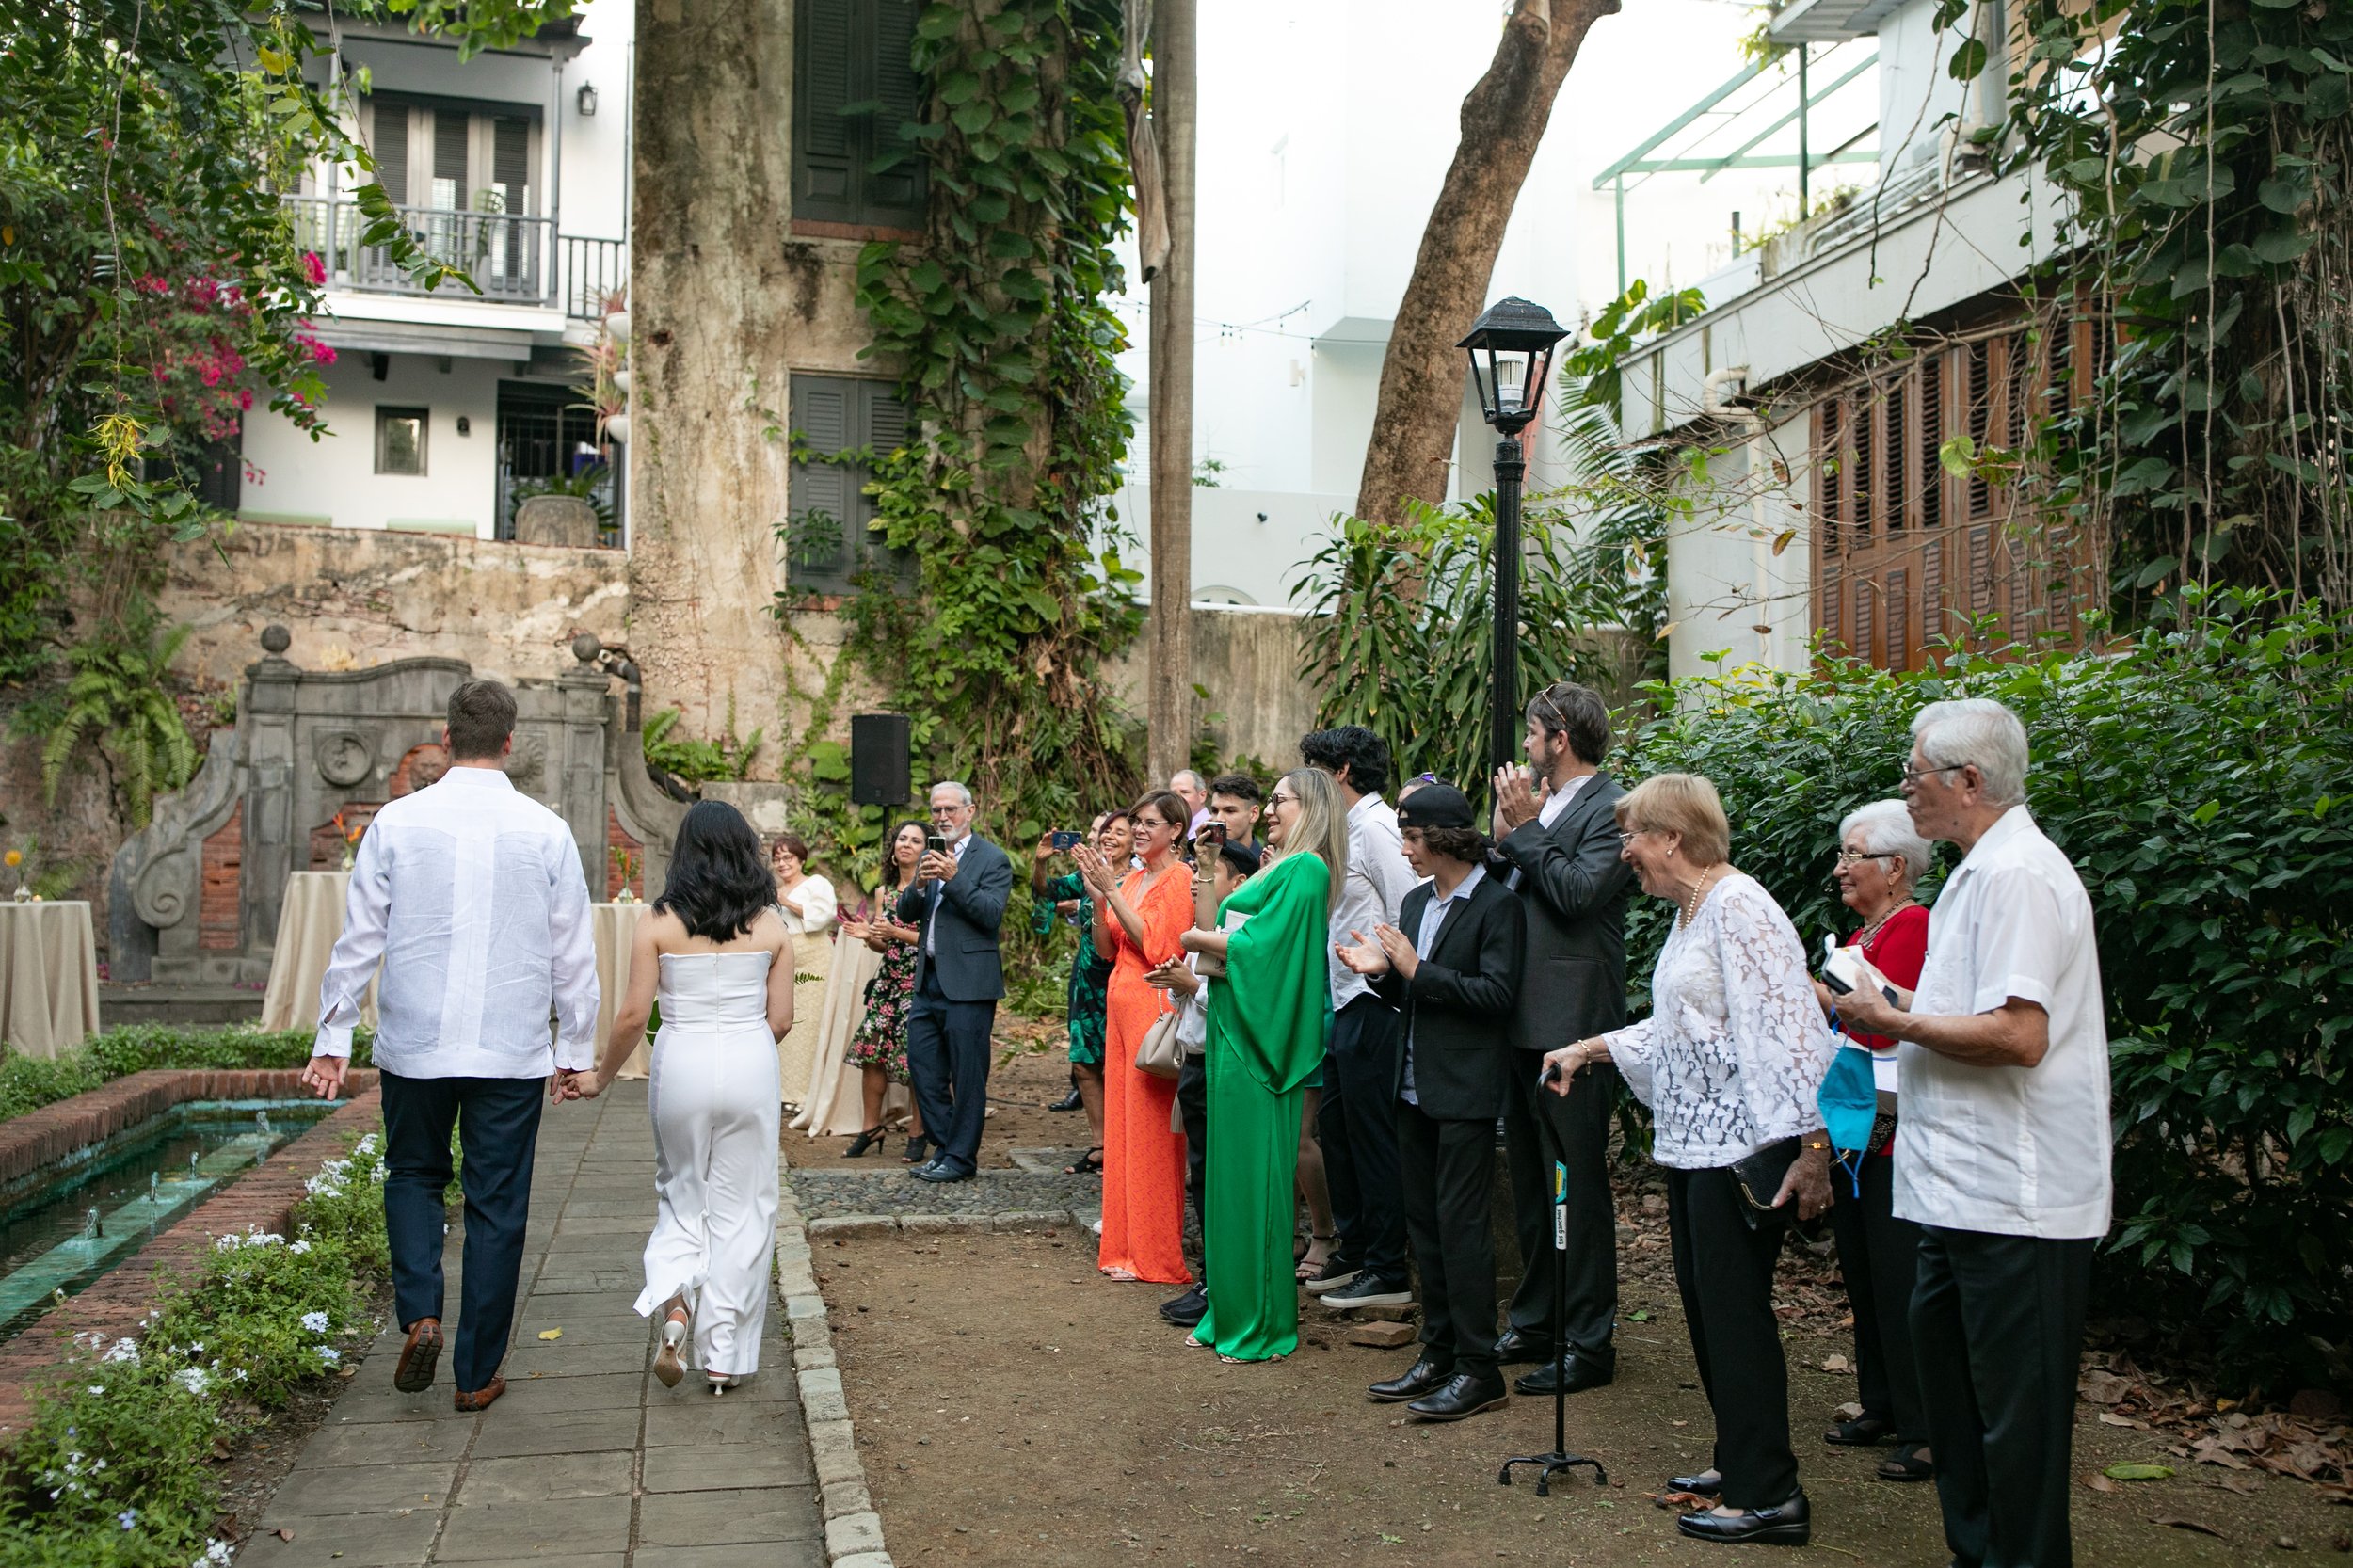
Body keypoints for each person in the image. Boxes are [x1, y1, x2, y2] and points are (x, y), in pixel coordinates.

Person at [1833, 699, 2109, 1568]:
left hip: (2015, 1205)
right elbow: (1972, 1011)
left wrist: (1893, 1020)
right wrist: (1900, 1004)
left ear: (1969, 781)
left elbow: (2021, 1035)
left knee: (2014, 1436)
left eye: (1914, 775)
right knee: (1956, 1419)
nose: (1906, 792)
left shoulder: (2020, 874)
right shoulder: (1974, 872)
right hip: (1957, 1197)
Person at [1543, 773, 1837, 1546]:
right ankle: (1738, 1461)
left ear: (1672, 837)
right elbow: (1680, 1028)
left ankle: (1770, 1494)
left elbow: (1794, 1033)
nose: (1625, 853)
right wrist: (1590, 1048)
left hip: (1744, 1150)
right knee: (1710, 1316)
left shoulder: (1741, 908)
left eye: (1632, 836)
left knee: (1736, 1317)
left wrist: (1812, 1150)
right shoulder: (1692, 911)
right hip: (1695, 1146)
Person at [300, 679, 599, 1415]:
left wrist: (332, 1036)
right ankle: (475, 1374)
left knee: (412, 1174)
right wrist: (576, 1049)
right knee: (498, 1205)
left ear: (444, 738)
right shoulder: (546, 829)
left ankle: (422, 1314)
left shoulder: (396, 824)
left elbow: (359, 938)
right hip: (509, 1049)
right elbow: (574, 952)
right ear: (508, 742)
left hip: (415, 1043)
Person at [566, 801, 792, 1394]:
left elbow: (634, 1015)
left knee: (680, 1192)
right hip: (750, 1058)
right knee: (744, 1208)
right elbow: (783, 1019)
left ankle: (674, 1305)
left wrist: (599, 1077)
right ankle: (723, 1359)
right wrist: (742, 1045)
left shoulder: (658, 922)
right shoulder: (771, 925)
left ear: (684, 852)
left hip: (682, 1060)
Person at [1337, 783, 1526, 1421]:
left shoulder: (1498, 906)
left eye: (1412, 840)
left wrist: (1416, 971)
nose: (1406, 851)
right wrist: (1383, 975)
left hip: (1466, 1091)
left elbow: (1498, 995)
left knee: (1463, 1227)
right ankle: (1437, 1350)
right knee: (1425, 1224)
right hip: (1411, 1086)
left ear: (1444, 839)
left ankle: (1480, 1368)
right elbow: (1411, 994)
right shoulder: (1416, 902)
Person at [1490, 680, 1636, 1398]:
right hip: (1520, 1019)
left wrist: (1523, 833)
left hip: (1575, 1022)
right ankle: (1537, 1318)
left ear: (1561, 738)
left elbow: (1579, 893)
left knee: (1573, 1182)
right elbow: (1520, 887)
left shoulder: (1616, 809)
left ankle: (1589, 1340)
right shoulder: (1539, 810)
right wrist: (1502, 840)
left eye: (1531, 733)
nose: (1524, 746)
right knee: (1528, 1178)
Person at [1181, 769, 1343, 1361]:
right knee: (1226, 1178)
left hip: (1259, 1037)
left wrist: (1198, 944)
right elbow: (1216, 925)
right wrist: (1205, 869)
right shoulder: (1278, 865)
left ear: (1314, 806)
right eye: (1271, 801)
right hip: (1230, 1027)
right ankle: (1228, 1310)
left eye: (1280, 800)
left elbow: (1265, 953)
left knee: (1256, 1179)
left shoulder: (1310, 869)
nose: (1270, 810)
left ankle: (1263, 1320)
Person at [1812, 800, 1934, 1481]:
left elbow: (1885, 1023)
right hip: (1859, 1125)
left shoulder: (1911, 925)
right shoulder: (1866, 933)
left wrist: (1819, 991)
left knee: (1898, 1274)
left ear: (1894, 867)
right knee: (1862, 1270)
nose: (1839, 869)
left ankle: (1926, 1426)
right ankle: (1882, 1401)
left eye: (1851, 856)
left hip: (1893, 1126)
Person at [1298, 725, 1418, 1310]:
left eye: (1315, 768)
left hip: (1376, 999)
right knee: (1340, 1130)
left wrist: (1387, 975)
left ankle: (1388, 1268)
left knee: (1371, 1136)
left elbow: (1411, 907)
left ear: (1341, 769)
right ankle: (1359, 1245)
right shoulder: (1346, 830)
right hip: (1346, 997)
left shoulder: (1376, 828)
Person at [1074, 789, 1195, 1285]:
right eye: (1137, 822)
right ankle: (1123, 1247)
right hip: (1119, 1005)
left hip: (1152, 1006)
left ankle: (1156, 1254)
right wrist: (1103, 893)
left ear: (1176, 831)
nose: (1141, 830)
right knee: (1122, 1129)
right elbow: (1105, 949)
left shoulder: (1179, 878)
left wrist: (1115, 892)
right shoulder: (1135, 876)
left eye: (1150, 823)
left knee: (1150, 1133)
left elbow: (1157, 947)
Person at [1145, 837, 1263, 1327]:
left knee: (1220, 1178)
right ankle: (1210, 1276)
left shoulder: (1245, 932)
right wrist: (1180, 982)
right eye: (1197, 872)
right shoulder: (1201, 928)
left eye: (1209, 874)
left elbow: (1242, 1005)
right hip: (1195, 1063)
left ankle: (1224, 1281)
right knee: (1202, 1176)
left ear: (1238, 883)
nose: (1197, 881)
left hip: (1224, 1066)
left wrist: (1190, 986)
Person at [896, 781, 1013, 1183]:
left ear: (970, 811)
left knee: (967, 1076)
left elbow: (990, 914)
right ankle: (947, 1148)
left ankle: (960, 1159)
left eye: (950, 810)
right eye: (936, 810)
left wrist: (954, 877)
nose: (942, 817)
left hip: (969, 984)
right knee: (923, 1070)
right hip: (927, 981)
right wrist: (922, 883)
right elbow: (907, 913)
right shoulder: (930, 854)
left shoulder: (992, 859)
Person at [1031, 811, 1127, 1174]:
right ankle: (1100, 1144)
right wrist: (1041, 864)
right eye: (1106, 831)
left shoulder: (1138, 878)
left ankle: (1123, 1144)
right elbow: (1047, 893)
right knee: (1085, 1064)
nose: (1110, 837)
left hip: (1122, 979)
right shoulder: (1086, 874)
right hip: (1087, 983)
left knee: (1120, 1066)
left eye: (1120, 832)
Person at [839, 821, 930, 1160]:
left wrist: (893, 932)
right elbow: (882, 943)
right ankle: (870, 1127)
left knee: (917, 1060)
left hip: (919, 984)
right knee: (872, 1055)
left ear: (927, 848)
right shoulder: (884, 892)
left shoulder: (933, 889)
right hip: (888, 983)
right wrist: (870, 937)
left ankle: (918, 1132)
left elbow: (935, 941)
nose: (906, 844)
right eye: (901, 839)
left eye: (915, 840)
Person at [771, 832, 839, 1113]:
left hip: (815, 956)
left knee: (811, 1024)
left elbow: (824, 915)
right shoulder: (775, 890)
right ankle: (787, 1091)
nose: (783, 863)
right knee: (788, 1022)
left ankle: (808, 1095)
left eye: (788, 857)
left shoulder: (816, 883)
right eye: (777, 859)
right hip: (787, 959)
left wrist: (785, 902)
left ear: (800, 859)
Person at [1169, 768, 1211, 838]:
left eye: (1185, 792)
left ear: (1202, 796)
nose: (1178, 798)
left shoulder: (1210, 830)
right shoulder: (1173, 826)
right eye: (1173, 794)